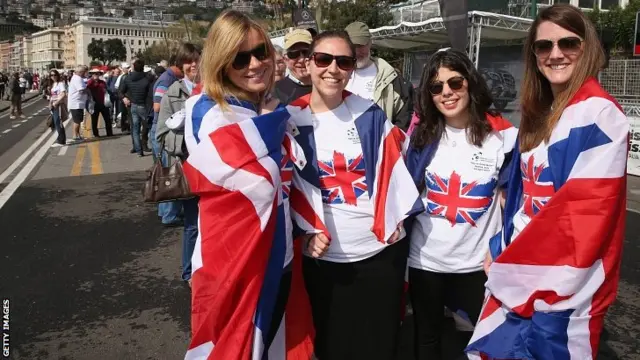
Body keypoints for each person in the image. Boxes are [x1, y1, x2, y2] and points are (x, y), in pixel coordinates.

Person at [466, 4, 628, 359]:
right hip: (519, 270)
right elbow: (523, 203)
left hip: (557, 290)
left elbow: (582, 219)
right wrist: (502, 249)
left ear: (587, 47)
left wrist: (515, 267)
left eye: (568, 43)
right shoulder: (540, 115)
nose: (555, 54)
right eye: (544, 46)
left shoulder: (598, 115)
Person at [181, 10, 314, 359]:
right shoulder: (209, 111)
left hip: (278, 254)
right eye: (241, 57)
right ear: (222, 63)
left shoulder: (261, 108)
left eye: (262, 52)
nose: (255, 64)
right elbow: (260, 185)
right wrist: (273, 121)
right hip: (236, 263)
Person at [287, 30, 419, 360]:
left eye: (343, 61)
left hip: (378, 254)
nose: (333, 68)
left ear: (351, 68)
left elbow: (397, 172)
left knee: (379, 343)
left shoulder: (369, 113)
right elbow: (279, 190)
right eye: (323, 59)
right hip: (323, 260)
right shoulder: (289, 120)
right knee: (332, 345)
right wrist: (304, 228)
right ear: (309, 63)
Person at [405, 49, 517, 360]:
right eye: (436, 87)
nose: (447, 93)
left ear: (470, 83)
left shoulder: (503, 138)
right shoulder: (420, 138)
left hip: (478, 265)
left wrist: (503, 251)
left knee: (486, 341)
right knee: (427, 339)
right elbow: (404, 195)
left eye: (455, 83)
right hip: (426, 262)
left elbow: (511, 204)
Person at [155, 44, 201, 286]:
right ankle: (189, 272)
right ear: (181, 66)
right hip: (187, 168)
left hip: (213, 168)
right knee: (193, 224)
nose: (193, 66)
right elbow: (161, 135)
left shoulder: (213, 90)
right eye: (188, 62)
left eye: (197, 60)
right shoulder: (172, 93)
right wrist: (186, 134)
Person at [345, 21, 413, 131]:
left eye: (361, 45)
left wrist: (390, 143)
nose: (357, 51)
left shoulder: (391, 78)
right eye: (353, 46)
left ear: (370, 43)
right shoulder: (336, 74)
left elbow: (404, 118)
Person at [119, 59, 154, 157]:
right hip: (144, 106)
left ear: (133, 67)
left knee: (135, 129)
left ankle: (139, 150)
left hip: (133, 105)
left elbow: (120, 91)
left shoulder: (128, 78)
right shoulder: (148, 78)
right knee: (149, 126)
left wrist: (124, 98)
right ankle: (149, 145)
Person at [273, 29, 313, 105]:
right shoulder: (275, 93)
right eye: (294, 54)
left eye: (306, 52)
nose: (301, 60)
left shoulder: (327, 85)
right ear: (285, 59)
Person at [86, 69, 113, 137]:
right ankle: (96, 134)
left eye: (97, 73)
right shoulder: (89, 82)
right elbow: (87, 88)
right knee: (94, 120)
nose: (96, 75)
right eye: (94, 74)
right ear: (92, 74)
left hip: (103, 103)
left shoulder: (102, 82)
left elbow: (106, 89)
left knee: (107, 119)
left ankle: (109, 133)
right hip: (94, 103)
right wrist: (93, 80)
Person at [67, 65, 89, 142]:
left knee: (78, 120)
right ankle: (75, 135)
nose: (84, 73)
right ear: (80, 72)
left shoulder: (77, 78)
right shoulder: (78, 79)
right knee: (77, 121)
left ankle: (78, 134)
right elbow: (81, 90)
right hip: (76, 103)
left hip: (78, 103)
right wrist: (88, 91)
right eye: (83, 72)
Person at [49, 70, 67, 147]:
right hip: (53, 105)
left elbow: (63, 94)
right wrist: (50, 103)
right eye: (52, 75)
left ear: (58, 75)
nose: (53, 76)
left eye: (55, 75)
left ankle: (61, 140)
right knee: (55, 122)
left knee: (58, 122)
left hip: (58, 105)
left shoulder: (60, 84)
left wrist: (57, 102)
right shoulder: (53, 84)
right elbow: (52, 96)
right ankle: (60, 138)